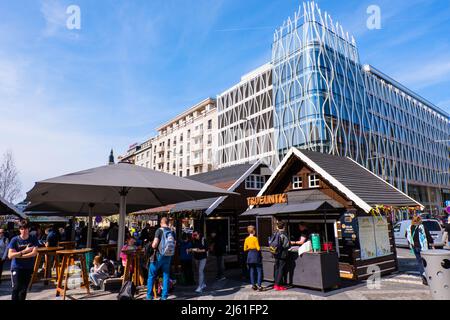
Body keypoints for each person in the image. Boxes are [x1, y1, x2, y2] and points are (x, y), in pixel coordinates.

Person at [7, 220, 39, 300]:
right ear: (19, 229)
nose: (23, 230)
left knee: (23, 290)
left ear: (29, 229)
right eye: (21, 228)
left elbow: (34, 253)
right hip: (16, 267)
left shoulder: (33, 239)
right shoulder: (14, 240)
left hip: (28, 267)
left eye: (25, 228)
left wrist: (19, 255)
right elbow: (10, 255)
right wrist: (24, 251)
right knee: (16, 288)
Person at [146, 217, 176, 300]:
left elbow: (154, 244)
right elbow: (174, 244)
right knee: (166, 275)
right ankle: (164, 296)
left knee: (151, 275)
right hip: (168, 256)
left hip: (159, 256)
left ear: (161, 223)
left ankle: (149, 296)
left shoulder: (159, 230)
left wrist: (151, 245)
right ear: (168, 222)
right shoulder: (172, 231)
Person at [406, 215, 434, 285]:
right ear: (419, 220)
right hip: (423, 247)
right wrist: (432, 243)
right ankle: (427, 277)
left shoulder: (409, 228)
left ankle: (423, 277)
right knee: (426, 263)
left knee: (420, 263)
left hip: (414, 247)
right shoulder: (422, 227)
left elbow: (406, 235)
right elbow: (428, 236)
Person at [271, 221, 290, 291]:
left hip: (276, 253)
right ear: (284, 227)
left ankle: (275, 284)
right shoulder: (284, 235)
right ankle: (278, 285)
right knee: (281, 269)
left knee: (276, 268)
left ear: (277, 227)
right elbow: (286, 245)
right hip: (282, 254)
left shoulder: (275, 233)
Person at [244, 226, 264, 291]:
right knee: (259, 270)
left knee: (251, 271)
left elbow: (244, 249)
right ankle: (259, 285)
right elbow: (258, 248)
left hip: (249, 255)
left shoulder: (246, 239)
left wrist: (249, 248)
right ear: (254, 231)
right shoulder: (255, 238)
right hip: (256, 255)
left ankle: (253, 285)